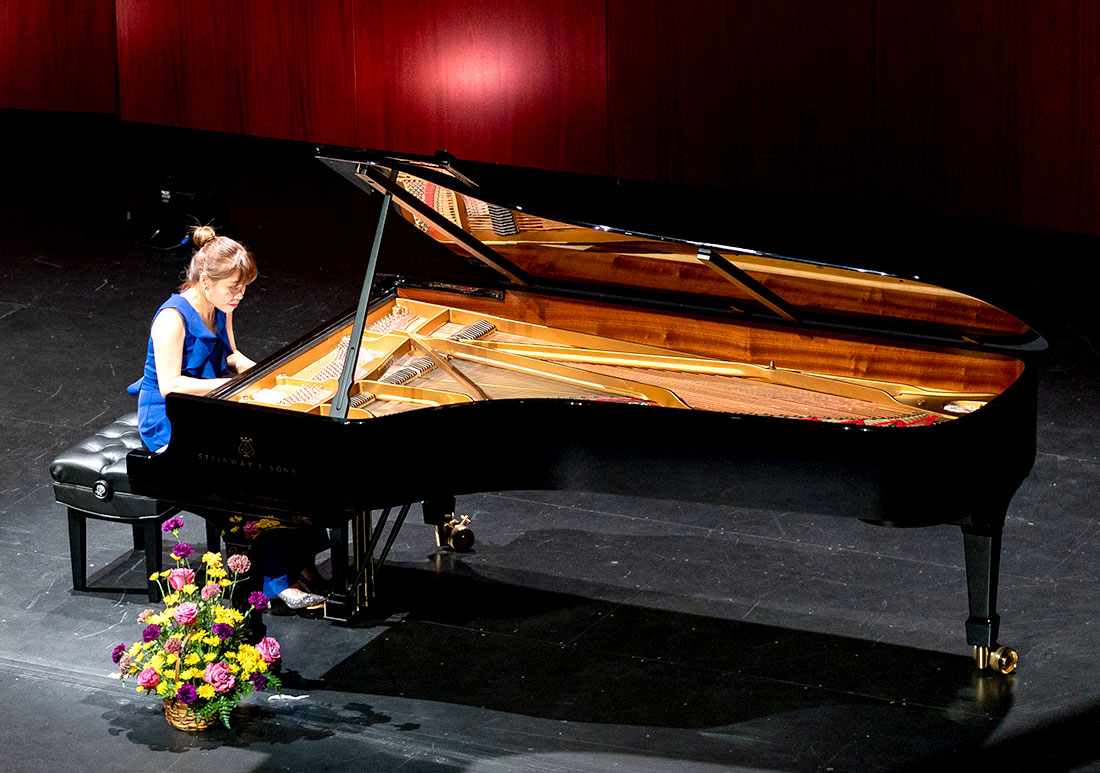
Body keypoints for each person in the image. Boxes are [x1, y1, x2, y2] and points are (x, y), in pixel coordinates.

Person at [128, 225, 327, 610]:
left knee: (290, 468)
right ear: (206, 280)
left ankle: (299, 563)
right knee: (254, 484)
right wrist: (229, 387)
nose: (239, 295)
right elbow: (170, 385)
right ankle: (275, 585)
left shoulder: (221, 307)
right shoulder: (171, 319)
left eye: (244, 287)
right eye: (233, 287)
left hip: (208, 409)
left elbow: (232, 356)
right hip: (168, 419)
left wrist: (268, 375)